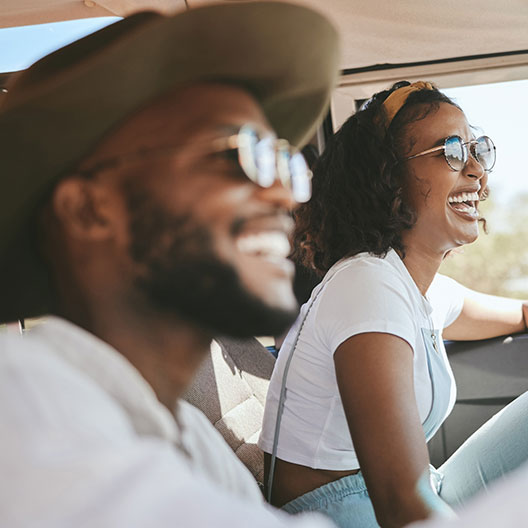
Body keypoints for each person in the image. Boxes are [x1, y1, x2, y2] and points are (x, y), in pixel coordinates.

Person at [0, 3, 342, 526]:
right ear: (89, 209)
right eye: (240, 154)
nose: (282, 194)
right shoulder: (23, 403)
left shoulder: (186, 435)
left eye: (281, 161)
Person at [259, 81, 528, 528]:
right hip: (344, 512)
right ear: (387, 178)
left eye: (477, 149)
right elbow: (401, 508)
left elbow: (520, 313)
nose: (477, 170)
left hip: (409, 490)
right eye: (452, 151)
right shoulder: (367, 288)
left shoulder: (415, 288)